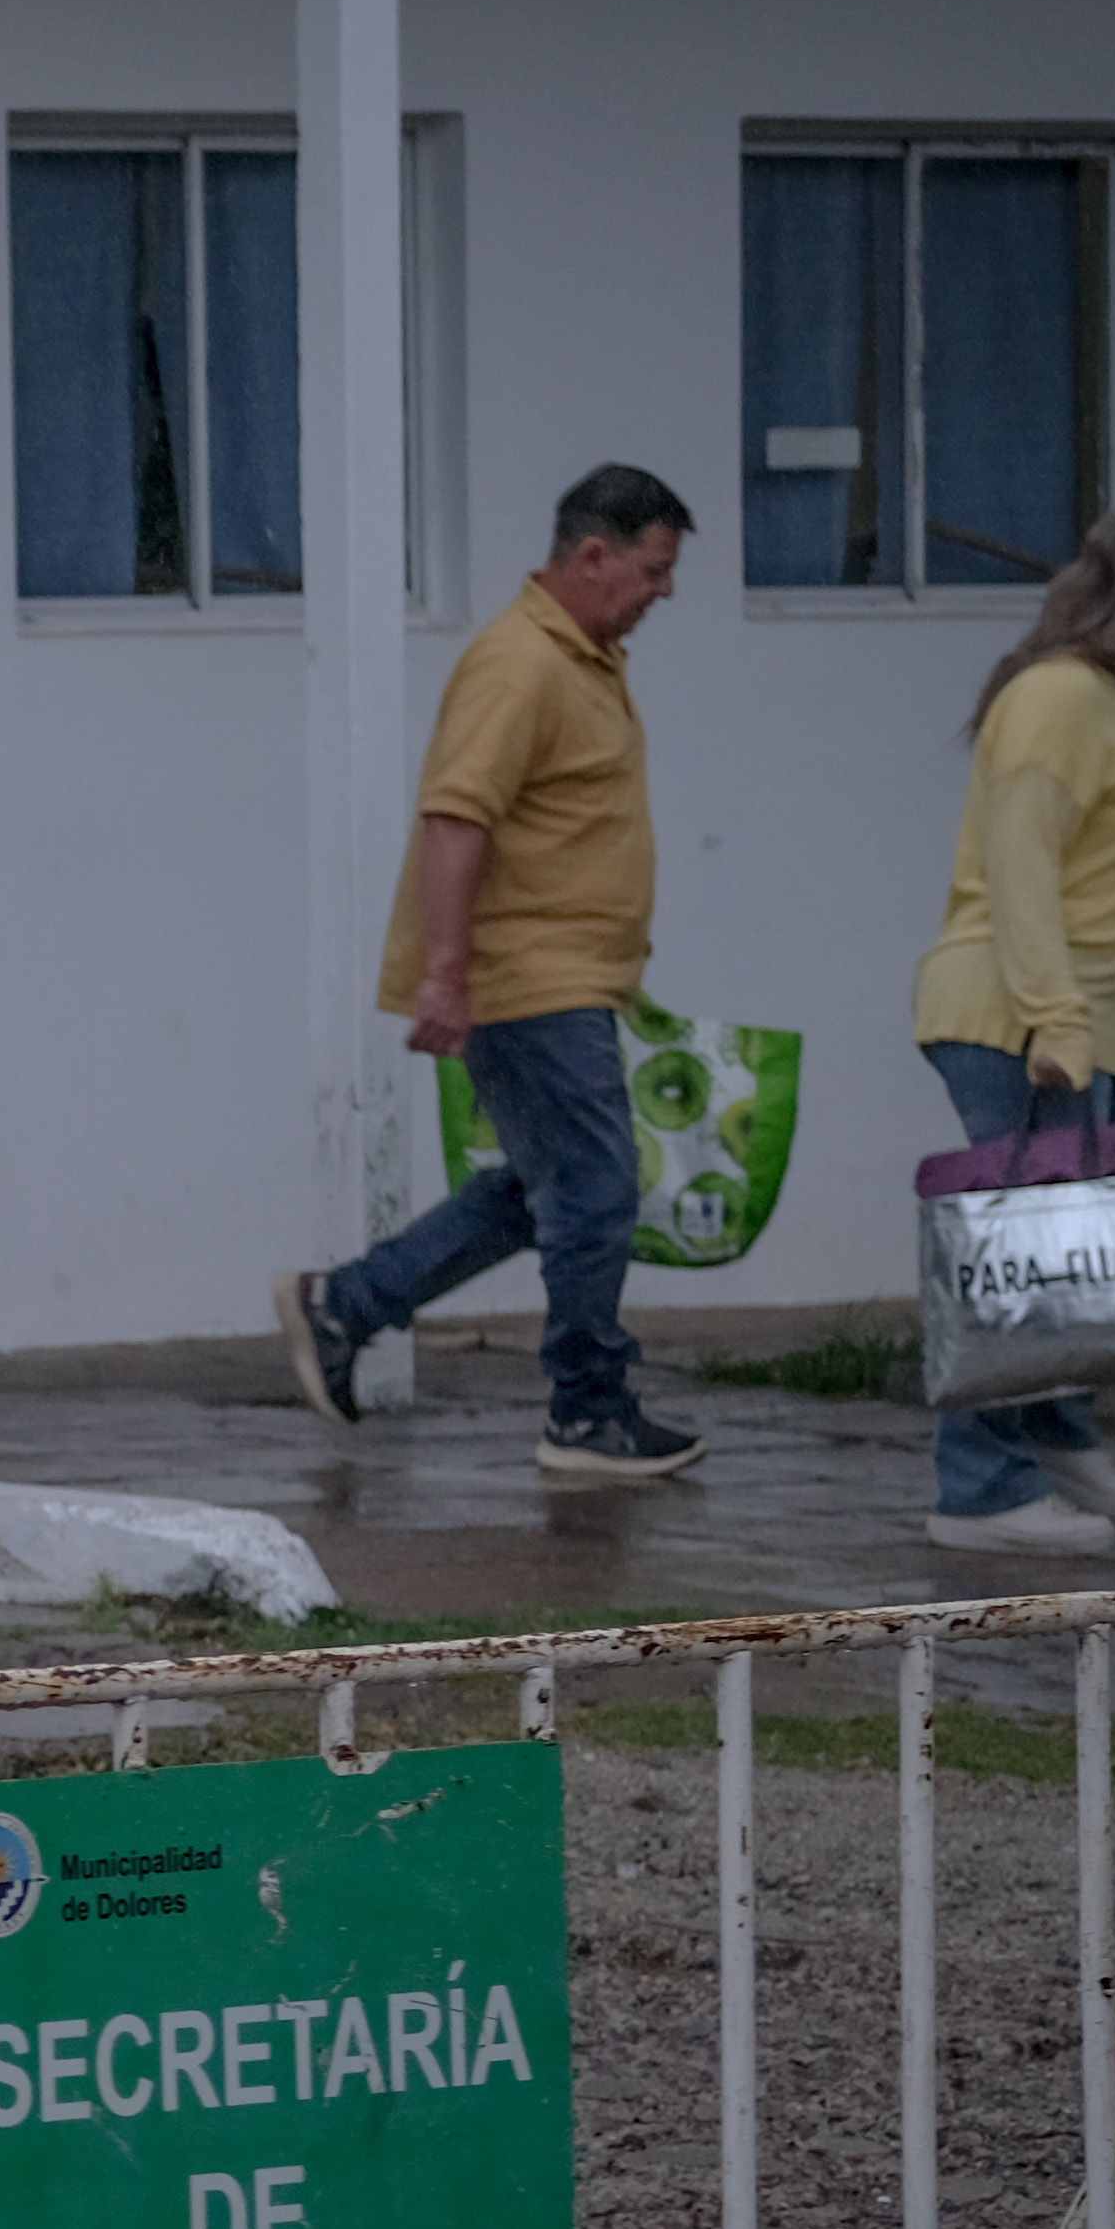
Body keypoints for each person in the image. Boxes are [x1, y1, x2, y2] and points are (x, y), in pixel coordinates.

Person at [274, 464, 708, 1478]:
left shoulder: (583, 657)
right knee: (595, 1189)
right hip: (529, 978)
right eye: (654, 568)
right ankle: (587, 1409)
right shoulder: (520, 663)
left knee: (543, 1190)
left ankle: (345, 1305)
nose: (666, 591)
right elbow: (455, 814)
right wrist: (447, 974)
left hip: (569, 977)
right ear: (592, 554)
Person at [904, 492, 1115, 1555]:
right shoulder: (1056, 699)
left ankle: (1056, 1430)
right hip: (1027, 1018)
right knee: (1024, 1259)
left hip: (1106, 1023)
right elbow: (1021, 872)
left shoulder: (1107, 690)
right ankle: (982, 1492)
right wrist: (1055, 1023)